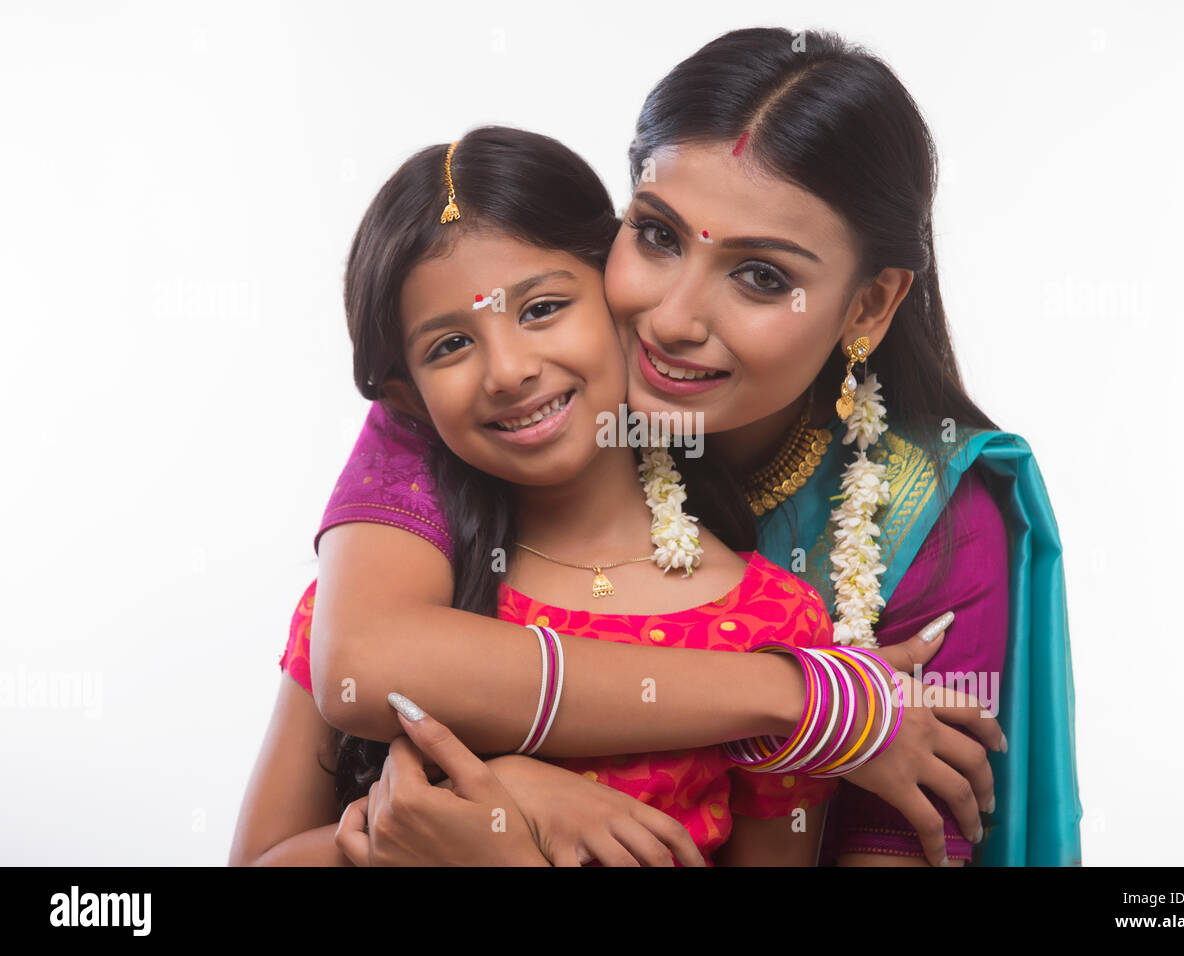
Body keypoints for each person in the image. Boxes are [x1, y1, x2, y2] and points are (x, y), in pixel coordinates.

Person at [298, 26, 1076, 867]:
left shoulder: (943, 527)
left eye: (763, 277)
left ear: (868, 306)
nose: (672, 319)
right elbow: (364, 660)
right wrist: (805, 700)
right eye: (660, 236)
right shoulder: (481, 404)